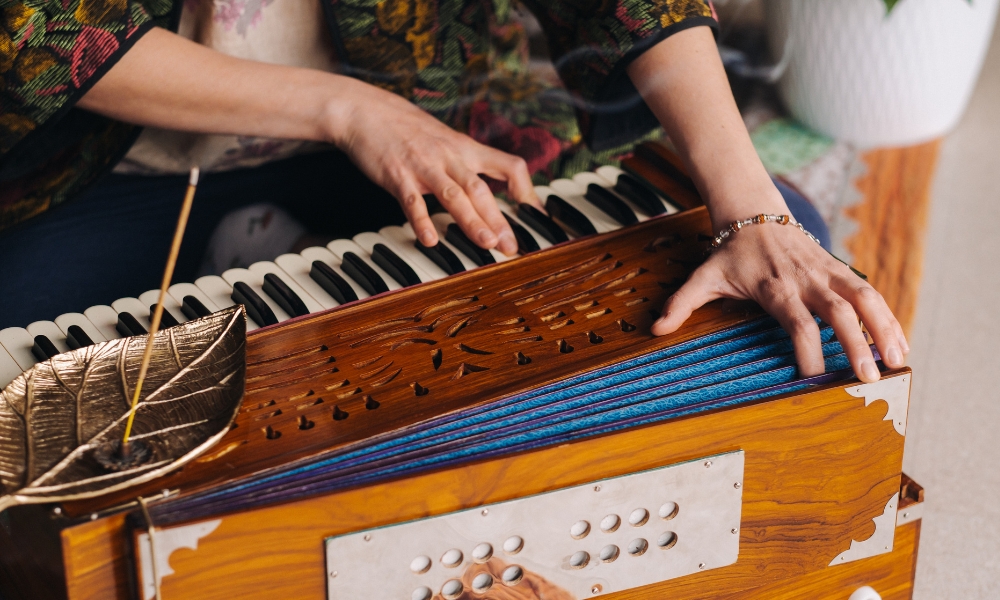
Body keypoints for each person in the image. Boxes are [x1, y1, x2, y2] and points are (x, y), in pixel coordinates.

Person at [0, 0, 906, 382]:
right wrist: (348, 111)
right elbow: (47, 29)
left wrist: (751, 212)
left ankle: (272, 255)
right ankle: (266, 250)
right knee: (27, 382)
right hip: (118, 161)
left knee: (779, 297)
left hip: (437, 119)